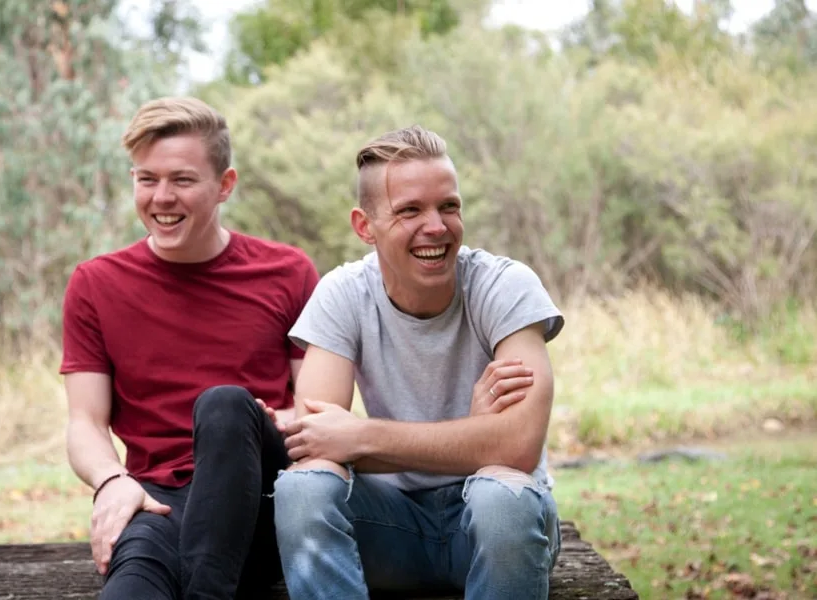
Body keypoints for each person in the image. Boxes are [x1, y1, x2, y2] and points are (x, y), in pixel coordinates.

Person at [273, 125, 565, 600]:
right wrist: (473, 436)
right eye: (410, 210)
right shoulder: (343, 293)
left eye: (448, 206)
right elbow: (318, 444)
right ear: (364, 226)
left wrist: (364, 435)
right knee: (302, 489)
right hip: (391, 527)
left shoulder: (505, 286)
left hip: (494, 529)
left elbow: (518, 446)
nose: (437, 226)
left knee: (501, 498)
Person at [59, 96, 319, 599]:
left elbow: (314, 408)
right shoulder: (96, 284)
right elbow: (85, 421)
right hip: (157, 504)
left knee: (224, 404)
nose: (161, 198)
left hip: (261, 505)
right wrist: (112, 480)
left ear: (224, 185)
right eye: (146, 179)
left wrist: (267, 416)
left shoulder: (287, 273)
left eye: (181, 180)